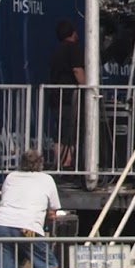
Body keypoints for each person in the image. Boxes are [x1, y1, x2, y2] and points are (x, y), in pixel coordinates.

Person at [48, 19, 85, 169]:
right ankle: (67, 165)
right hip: (69, 98)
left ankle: (62, 165)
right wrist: (87, 86)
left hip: (57, 98)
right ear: (72, 33)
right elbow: (77, 70)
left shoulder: (56, 51)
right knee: (69, 133)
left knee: (61, 131)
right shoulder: (73, 48)